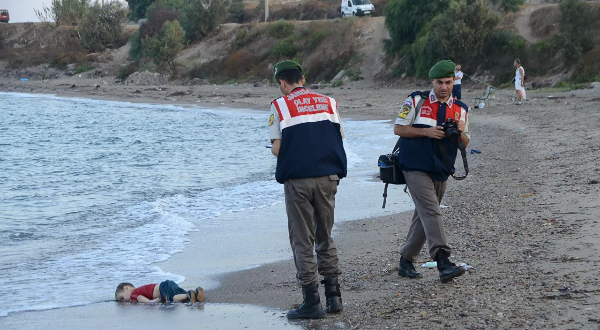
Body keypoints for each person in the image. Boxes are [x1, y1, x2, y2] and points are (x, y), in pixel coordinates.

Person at [268, 60, 347, 319]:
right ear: (303, 78)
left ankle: (311, 301)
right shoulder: (329, 102)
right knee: (325, 234)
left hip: (299, 180)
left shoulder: (279, 105)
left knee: (302, 238)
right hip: (328, 177)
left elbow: (278, 149)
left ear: (282, 82)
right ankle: (334, 297)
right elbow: (339, 137)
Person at [393, 60, 470, 283]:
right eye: (439, 82)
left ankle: (406, 261)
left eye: (448, 82)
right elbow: (399, 128)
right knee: (432, 212)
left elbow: (463, 144)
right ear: (432, 82)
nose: (443, 86)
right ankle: (443, 260)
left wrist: (460, 132)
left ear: (454, 81)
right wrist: (427, 132)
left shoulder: (461, 109)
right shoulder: (417, 99)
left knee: (424, 215)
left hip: (441, 169)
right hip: (414, 165)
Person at [115, 280, 204, 303]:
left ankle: (188, 295)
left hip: (162, 288)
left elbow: (139, 298)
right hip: (167, 284)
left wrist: (149, 302)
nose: (124, 300)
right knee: (179, 294)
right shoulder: (140, 289)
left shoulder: (133, 294)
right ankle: (195, 293)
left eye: (122, 298)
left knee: (170, 299)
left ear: (126, 288)